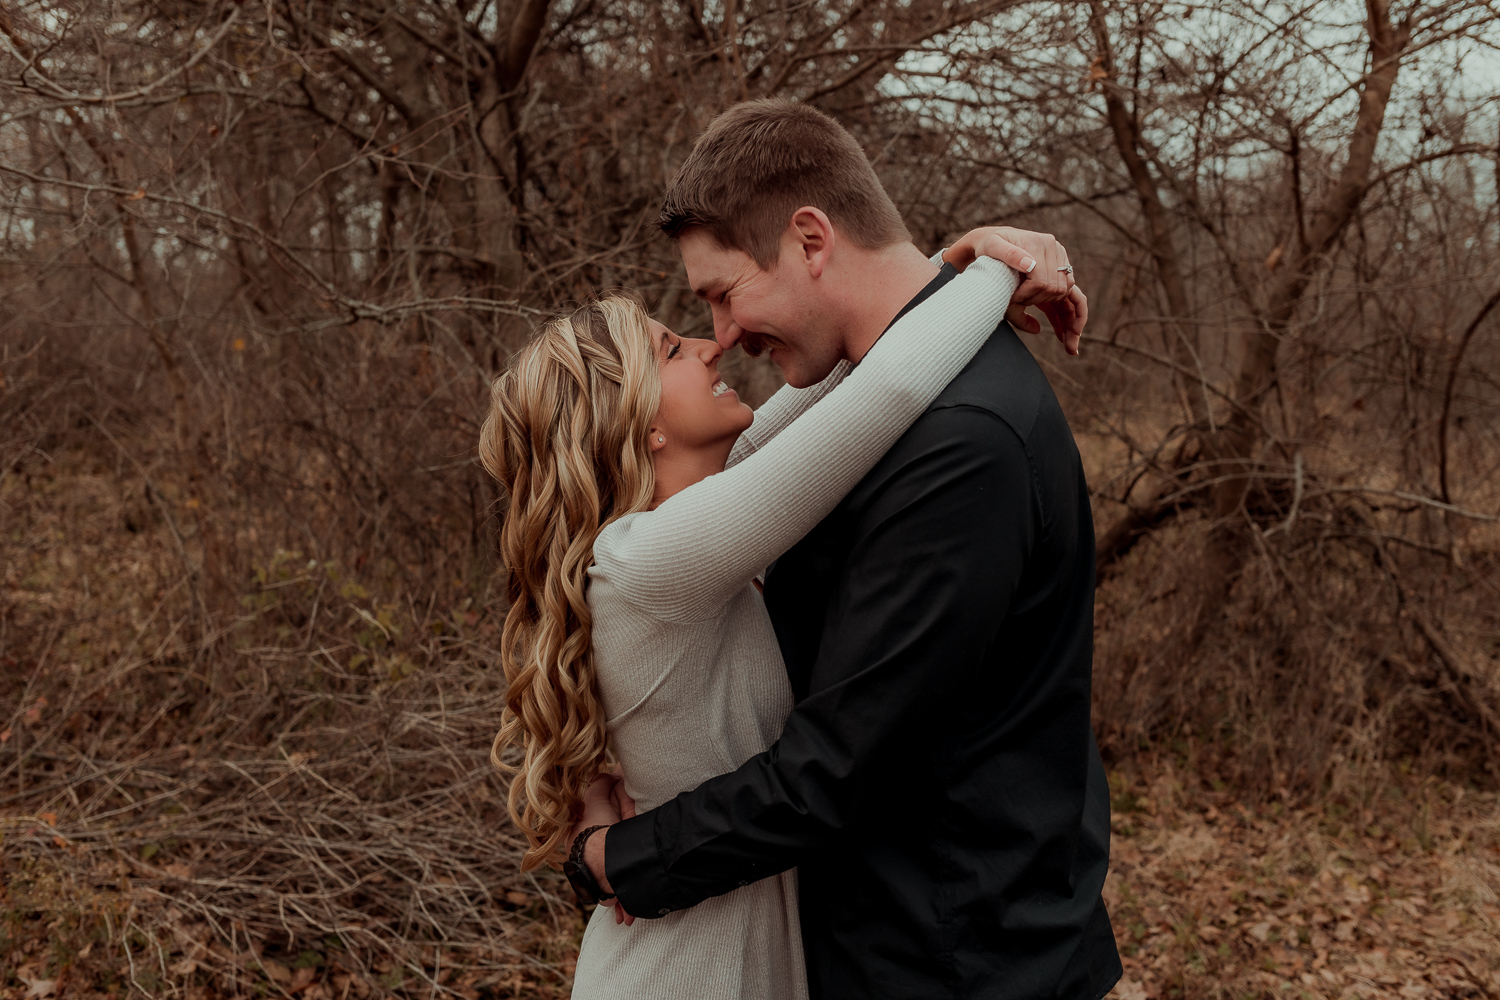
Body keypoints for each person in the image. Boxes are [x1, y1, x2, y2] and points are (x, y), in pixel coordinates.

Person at [566, 99, 1122, 1000]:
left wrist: (618, 858)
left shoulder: (959, 443)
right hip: (871, 945)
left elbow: (833, 767)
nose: (725, 335)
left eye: (721, 292)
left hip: (951, 964)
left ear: (812, 241)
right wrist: (970, 264)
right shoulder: (862, 417)